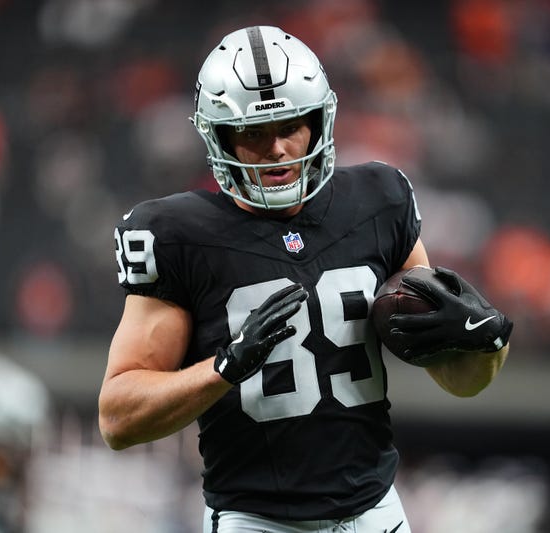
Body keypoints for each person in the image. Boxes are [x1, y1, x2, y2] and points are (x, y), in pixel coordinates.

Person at [99, 25, 513, 532]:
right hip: (260, 522)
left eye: (290, 125)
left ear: (320, 122)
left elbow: (462, 381)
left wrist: (486, 342)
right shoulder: (176, 234)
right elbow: (117, 419)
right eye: (252, 132)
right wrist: (224, 368)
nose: (276, 148)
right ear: (218, 134)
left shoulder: (379, 200)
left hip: (377, 514)